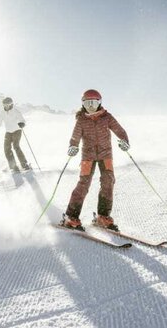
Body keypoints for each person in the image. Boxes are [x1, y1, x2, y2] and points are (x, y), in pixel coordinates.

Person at [63, 89, 130, 231]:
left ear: (99, 102)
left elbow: (120, 130)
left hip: (106, 155)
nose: (90, 106)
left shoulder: (107, 117)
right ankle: (71, 217)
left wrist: (124, 141)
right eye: (87, 103)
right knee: (84, 184)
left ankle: (103, 216)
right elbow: (75, 136)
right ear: (83, 104)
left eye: (93, 103)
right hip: (88, 156)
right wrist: (73, 146)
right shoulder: (81, 119)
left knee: (108, 182)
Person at [0, 97, 31, 172]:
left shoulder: (16, 111)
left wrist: (22, 124)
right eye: (4, 105)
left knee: (16, 146)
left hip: (17, 131)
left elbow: (23, 120)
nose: (5, 107)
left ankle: (24, 164)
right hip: (8, 132)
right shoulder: (2, 113)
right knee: (7, 149)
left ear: (11, 104)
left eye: (7, 105)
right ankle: (13, 166)